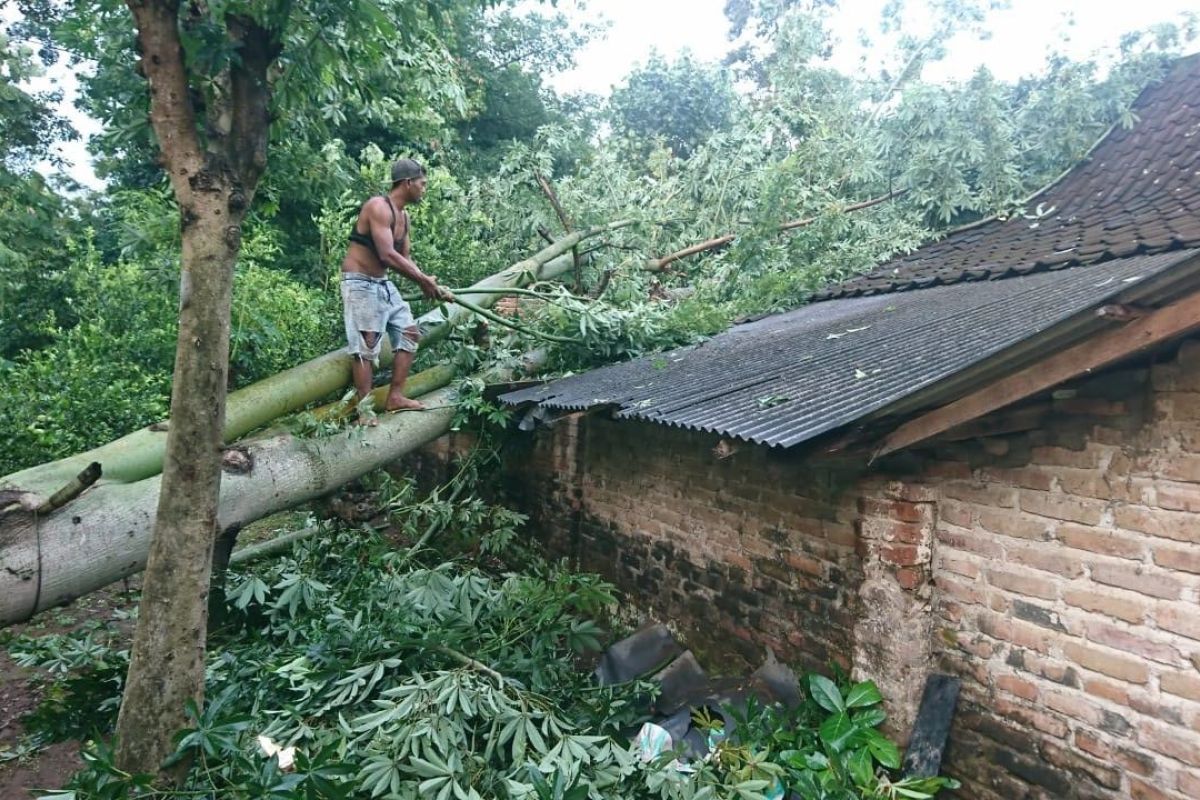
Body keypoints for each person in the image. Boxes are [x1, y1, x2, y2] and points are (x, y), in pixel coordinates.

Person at [340, 158, 446, 422]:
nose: (424, 189)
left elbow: (405, 259)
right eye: (422, 184)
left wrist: (428, 282)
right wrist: (423, 280)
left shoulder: (404, 217)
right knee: (366, 344)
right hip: (359, 282)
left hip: (383, 283)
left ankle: (395, 397)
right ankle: (364, 409)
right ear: (408, 182)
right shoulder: (378, 207)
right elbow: (387, 254)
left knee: (409, 332)